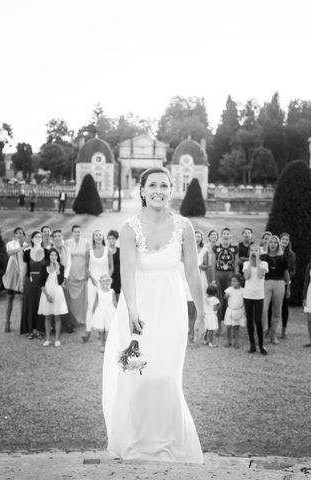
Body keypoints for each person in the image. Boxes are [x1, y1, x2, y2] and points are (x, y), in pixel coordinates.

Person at [102, 166, 204, 464]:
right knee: (138, 374)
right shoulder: (129, 228)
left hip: (171, 308)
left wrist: (201, 312)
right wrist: (132, 309)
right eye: (153, 185)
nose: (159, 190)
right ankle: (137, 442)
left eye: (164, 185)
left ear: (170, 190)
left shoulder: (183, 227)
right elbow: (127, 272)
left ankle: (170, 442)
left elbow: (192, 273)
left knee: (167, 375)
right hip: (137, 309)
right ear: (143, 191)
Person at [83, 229, 113, 343]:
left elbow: (111, 267)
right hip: (93, 281)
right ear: (93, 237)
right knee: (91, 306)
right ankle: (88, 331)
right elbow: (86, 267)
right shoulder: (88, 251)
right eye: (96, 235)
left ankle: (106, 331)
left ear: (103, 237)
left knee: (106, 306)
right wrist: (92, 278)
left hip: (105, 282)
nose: (98, 237)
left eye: (100, 235)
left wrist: (106, 279)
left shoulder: (108, 250)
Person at [260, 236, 290, 345]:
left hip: (279, 283)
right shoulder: (263, 257)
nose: (273, 244)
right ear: (268, 244)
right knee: (263, 309)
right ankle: (264, 330)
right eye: (271, 242)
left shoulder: (283, 257)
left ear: (278, 245)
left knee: (277, 311)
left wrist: (288, 288)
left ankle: (273, 334)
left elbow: (286, 273)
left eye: (275, 242)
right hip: (266, 283)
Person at [20, 231, 49, 338]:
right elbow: (24, 268)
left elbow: (49, 269)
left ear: (42, 239)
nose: (38, 238)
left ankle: (40, 330)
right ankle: (31, 330)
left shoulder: (47, 252)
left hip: (42, 282)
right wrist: (21, 283)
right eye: (35, 237)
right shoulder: (27, 252)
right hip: (30, 281)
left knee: (41, 305)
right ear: (31, 239)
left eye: (40, 237)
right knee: (30, 304)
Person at [39, 247, 68, 347]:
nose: (53, 257)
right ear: (49, 256)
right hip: (47, 293)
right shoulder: (44, 266)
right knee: (47, 317)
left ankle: (57, 339)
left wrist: (58, 269)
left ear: (57, 256)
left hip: (57, 293)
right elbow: (41, 283)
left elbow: (60, 282)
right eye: (51, 255)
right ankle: (47, 339)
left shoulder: (61, 267)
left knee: (57, 316)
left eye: (55, 255)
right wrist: (47, 295)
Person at [242, 243, 267, 354]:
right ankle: (252, 344)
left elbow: (260, 276)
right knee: (249, 320)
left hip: (259, 296)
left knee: (258, 320)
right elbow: (246, 277)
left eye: (256, 250)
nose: (253, 251)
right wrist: (250, 262)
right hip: (248, 295)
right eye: (252, 250)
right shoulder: (246, 263)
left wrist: (257, 262)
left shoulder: (264, 264)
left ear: (259, 252)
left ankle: (261, 345)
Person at [212, 227, 239, 328]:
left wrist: (236, 278)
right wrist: (213, 279)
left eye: (228, 233)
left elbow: (236, 264)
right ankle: (218, 323)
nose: (226, 235)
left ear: (230, 236)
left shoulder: (234, 248)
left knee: (229, 297)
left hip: (230, 274)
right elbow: (213, 263)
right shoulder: (216, 247)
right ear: (221, 236)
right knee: (218, 298)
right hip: (219, 274)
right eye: (224, 233)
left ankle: (229, 323)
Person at [1, 227, 27, 333]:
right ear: (14, 235)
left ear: (23, 235)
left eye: (21, 233)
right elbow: (9, 252)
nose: (19, 235)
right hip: (12, 273)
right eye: (17, 233)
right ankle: (7, 322)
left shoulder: (26, 245)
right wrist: (20, 249)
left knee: (22, 299)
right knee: (9, 298)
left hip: (22, 273)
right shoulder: (11, 244)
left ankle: (23, 323)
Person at [66, 225, 90, 326]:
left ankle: (82, 319)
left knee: (82, 298)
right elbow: (66, 259)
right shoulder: (67, 243)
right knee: (72, 298)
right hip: (71, 272)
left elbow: (88, 258)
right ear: (72, 232)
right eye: (75, 232)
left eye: (79, 232)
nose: (77, 233)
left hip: (82, 272)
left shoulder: (86, 242)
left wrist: (87, 271)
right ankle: (73, 319)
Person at [52, 228, 74, 334]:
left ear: (62, 237)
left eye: (59, 236)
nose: (57, 238)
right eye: (55, 236)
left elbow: (68, 263)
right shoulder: (50, 249)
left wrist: (65, 277)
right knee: (54, 301)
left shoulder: (66, 249)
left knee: (65, 301)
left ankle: (66, 324)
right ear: (52, 238)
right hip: (53, 279)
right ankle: (54, 325)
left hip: (64, 278)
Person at [92, 274, 116, 353]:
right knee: (101, 330)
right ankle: (102, 344)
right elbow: (96, 302)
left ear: (110, 282)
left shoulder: (112, 291)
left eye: (107, 281)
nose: (105, 282)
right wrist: (93, 312)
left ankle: (108, 344)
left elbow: (114, 302)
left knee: (109, 330)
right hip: (101, 311)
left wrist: (116, 311)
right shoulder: (98, 292)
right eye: (103, 281)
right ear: (100, 282)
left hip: (110, 311)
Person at [223, 274, 246, 348]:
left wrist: (244, 310)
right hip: (230, 310)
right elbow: (224, 297)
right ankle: (228, 341)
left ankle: (236, 341)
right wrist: (226, 296)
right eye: (231, 281)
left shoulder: (243, 290)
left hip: (238, 310)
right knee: (228, 326)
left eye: (234, 281)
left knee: (236, 327)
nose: (232, 283)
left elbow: (244, 301)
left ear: (239, 282)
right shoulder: (230, 289)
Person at [107, 230, 121, 302]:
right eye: (109, 238)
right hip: (109, 276)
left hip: (118, 277)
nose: (111, 240)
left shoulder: (120, 251)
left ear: (116, 239)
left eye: (113, 238)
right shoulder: (105, 251)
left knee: (118, 296)